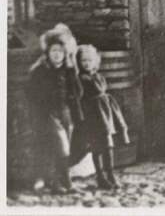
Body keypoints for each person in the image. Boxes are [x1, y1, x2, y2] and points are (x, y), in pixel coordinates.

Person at [27, 24, 83, 194]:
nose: (57, 54)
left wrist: (73, 72)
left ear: (65, 53)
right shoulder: (40, 71)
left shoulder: (67, 70)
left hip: (65, 112)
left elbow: (78, 92)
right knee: (60, 146)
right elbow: (30, 93)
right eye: (53, 51)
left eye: (60, 51)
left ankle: (63, 181)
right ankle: (58, 181)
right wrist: (42, 107)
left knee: (65, 148)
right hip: (48, 113)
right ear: (47, 53)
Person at [76, 44, 130, 189]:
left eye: (89, 60)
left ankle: (110, 174)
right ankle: (100, 176)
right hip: (91, 115)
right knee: (96, 146)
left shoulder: (99, 76)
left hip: (104, 114)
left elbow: (103, 90)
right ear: (79, 62)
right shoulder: (81, 78)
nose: (86, 63)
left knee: (108, 144)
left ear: (95, 61)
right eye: (83, 61)